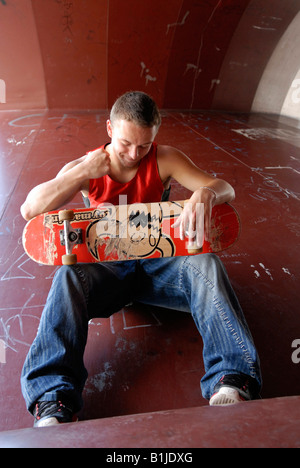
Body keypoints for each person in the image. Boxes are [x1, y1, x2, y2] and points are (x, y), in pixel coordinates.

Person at [20, 91, 262, 427]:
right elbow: (30, 209)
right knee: (68, 275)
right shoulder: (87, 166)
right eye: (125, 144)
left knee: (206, 263)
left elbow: (225, 188)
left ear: (154, 138)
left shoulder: (164, 158)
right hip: (110, 272)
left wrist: (206, 193)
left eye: (143, 145)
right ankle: (53, 399)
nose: (134, 154)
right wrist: (78, 175)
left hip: (158, 267)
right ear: (109, 128)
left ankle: (233, 379)